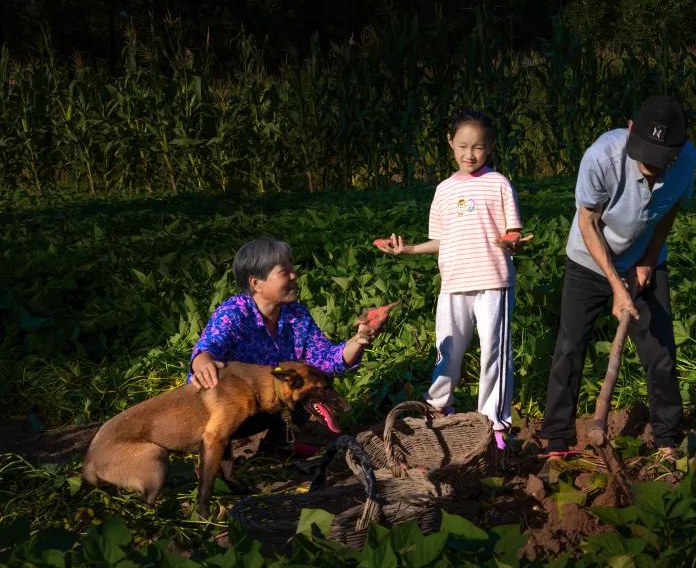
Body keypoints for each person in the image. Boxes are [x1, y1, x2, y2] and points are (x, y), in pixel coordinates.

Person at [540, 95, 696, 462]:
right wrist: (616, 285)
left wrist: (645, 262)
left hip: (644, 258)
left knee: (660, 350)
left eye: (662, 159)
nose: (652, 166)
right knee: (569, 346)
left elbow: (670, 208)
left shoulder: (686, 159)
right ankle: (557, 439)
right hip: (590, 259)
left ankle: (666, 438)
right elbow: (587, 222)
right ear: (630, 130)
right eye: (645, 155)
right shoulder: (601, 158)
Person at [374, 108, 531, 450]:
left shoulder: (499, 183)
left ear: (489, 146)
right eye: (462, 146)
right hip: (454, 283)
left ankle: (495, 423)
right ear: (450, 144)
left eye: (477, 147)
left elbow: (512, 232)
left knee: (495, 352)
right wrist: (409, 250)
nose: (469, 154)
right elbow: (441, 240)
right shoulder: (444, 190)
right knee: (447, 349)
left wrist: (512, 241)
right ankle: (440, 406)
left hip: (494, 281)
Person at [188, 236, 376, 457]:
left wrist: (358, 340)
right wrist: (204, 363)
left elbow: (325, 358)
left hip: (265, 401)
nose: (294, 276)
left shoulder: (296, 314)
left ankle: (278, 442)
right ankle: (213, 453)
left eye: (292, 269)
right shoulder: (234, 312)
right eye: (284, 272)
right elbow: (208, 347)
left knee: (315, 377)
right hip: (226, 407)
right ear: (255, 282)